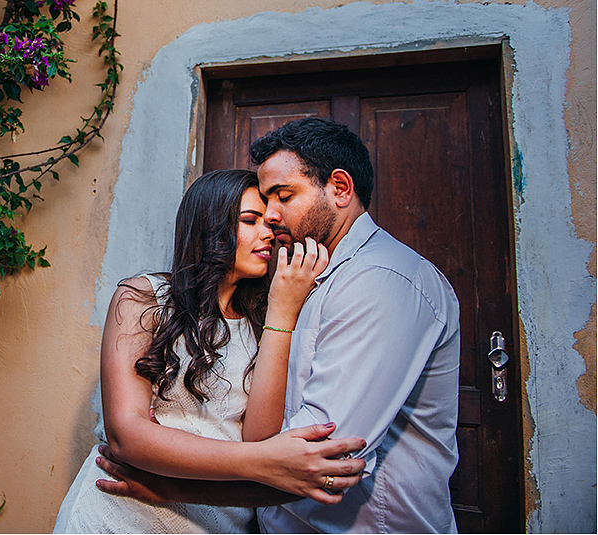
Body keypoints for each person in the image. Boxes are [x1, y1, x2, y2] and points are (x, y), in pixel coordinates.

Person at [96, 118, 461, 533]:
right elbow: (269, 453)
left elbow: (313, 463)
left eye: (282, 196)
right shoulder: (299, 281)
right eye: (255, 211)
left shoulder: (382, 283)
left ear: (340, 188)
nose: (271, 218)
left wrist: (172, 488)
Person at [54, 168, 367, 534]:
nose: (269, 232)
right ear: (209, 225)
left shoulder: (264, 320)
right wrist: (268, 462)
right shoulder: (144, 298)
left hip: (217, 520)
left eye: (269, 223)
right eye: (250, 221)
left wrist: (283, 311)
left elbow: (259, 436)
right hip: (122, 512)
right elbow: (126, 436)